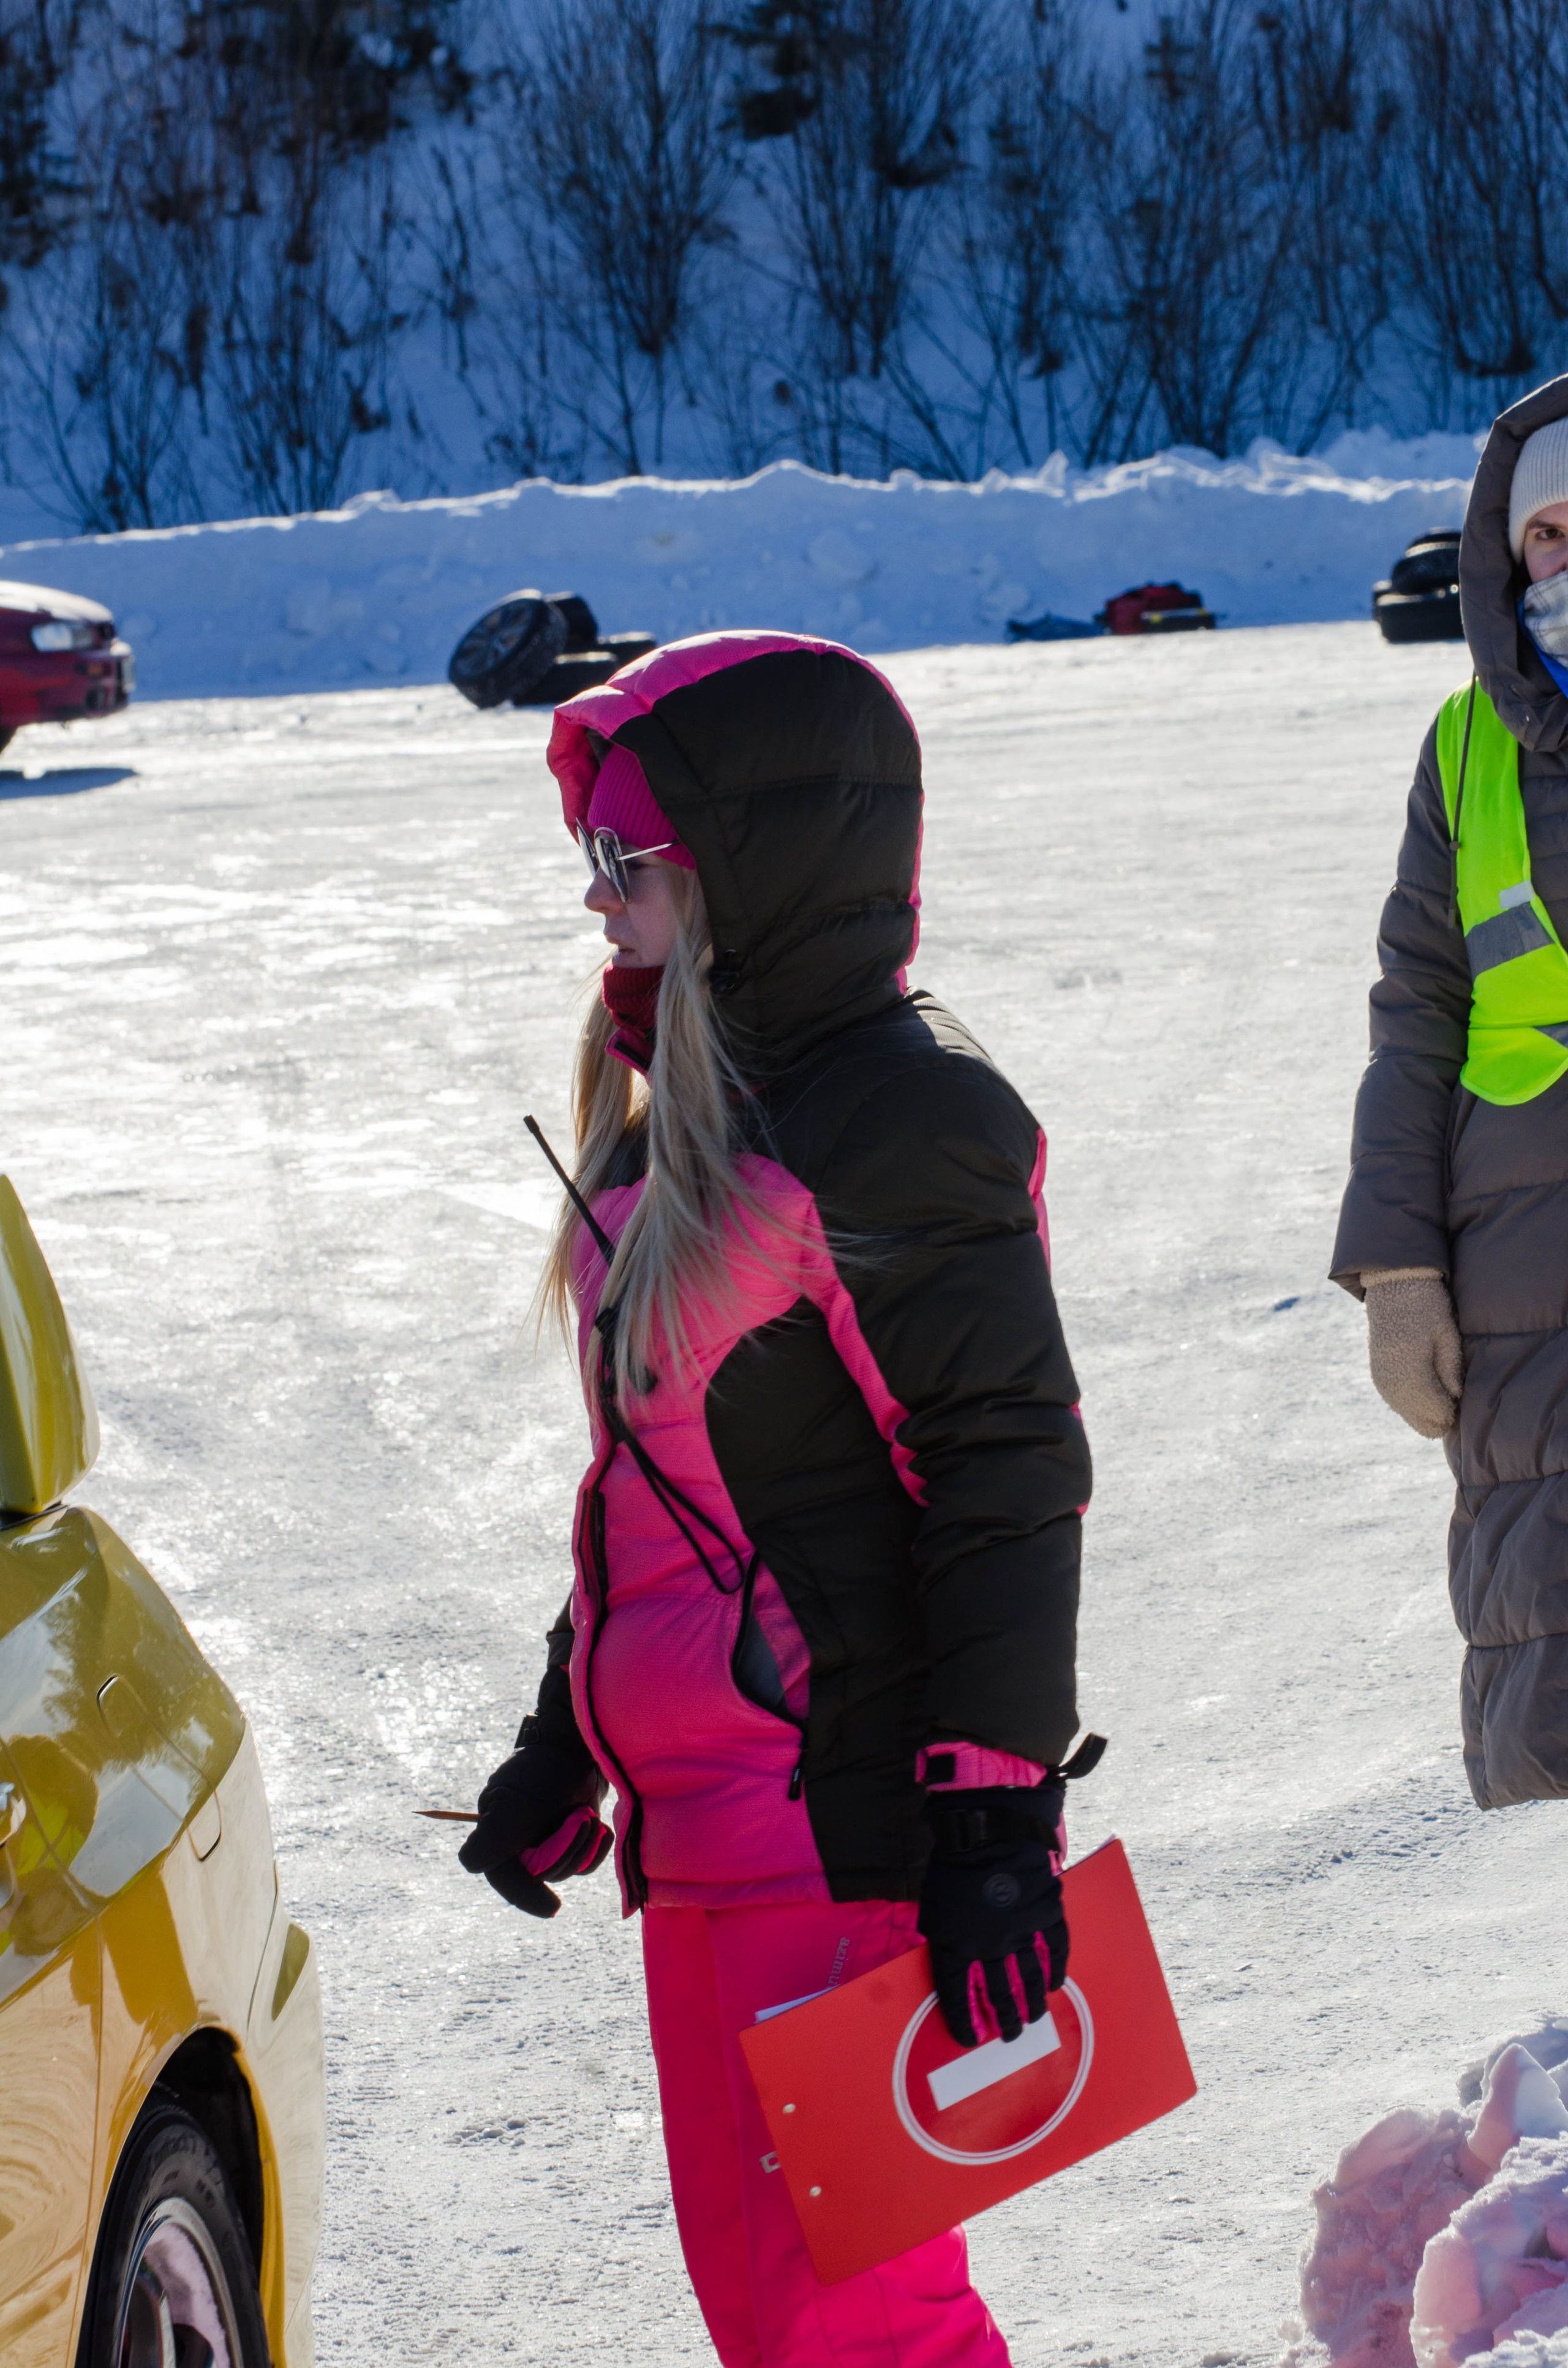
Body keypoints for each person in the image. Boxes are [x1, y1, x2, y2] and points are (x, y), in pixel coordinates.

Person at [459, 630, 1093, 2367]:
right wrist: (565, 1738)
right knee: (779, 2317)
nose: (598, 903)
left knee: (861, 2330)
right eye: (591, 861)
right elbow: (661, 1497)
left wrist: (990, 1816)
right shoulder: (677, 1129)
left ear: (750, 869)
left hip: (846, 1836)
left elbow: (1005, 1467)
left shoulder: (895, 1120)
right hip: (713, 1848)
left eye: (629, 863)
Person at [1332, 372, 1568, 1810]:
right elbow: (1414, 1015)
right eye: (1550, 534)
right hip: (1517, 1281)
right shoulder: (1466, 743)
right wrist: (1397, 1266)